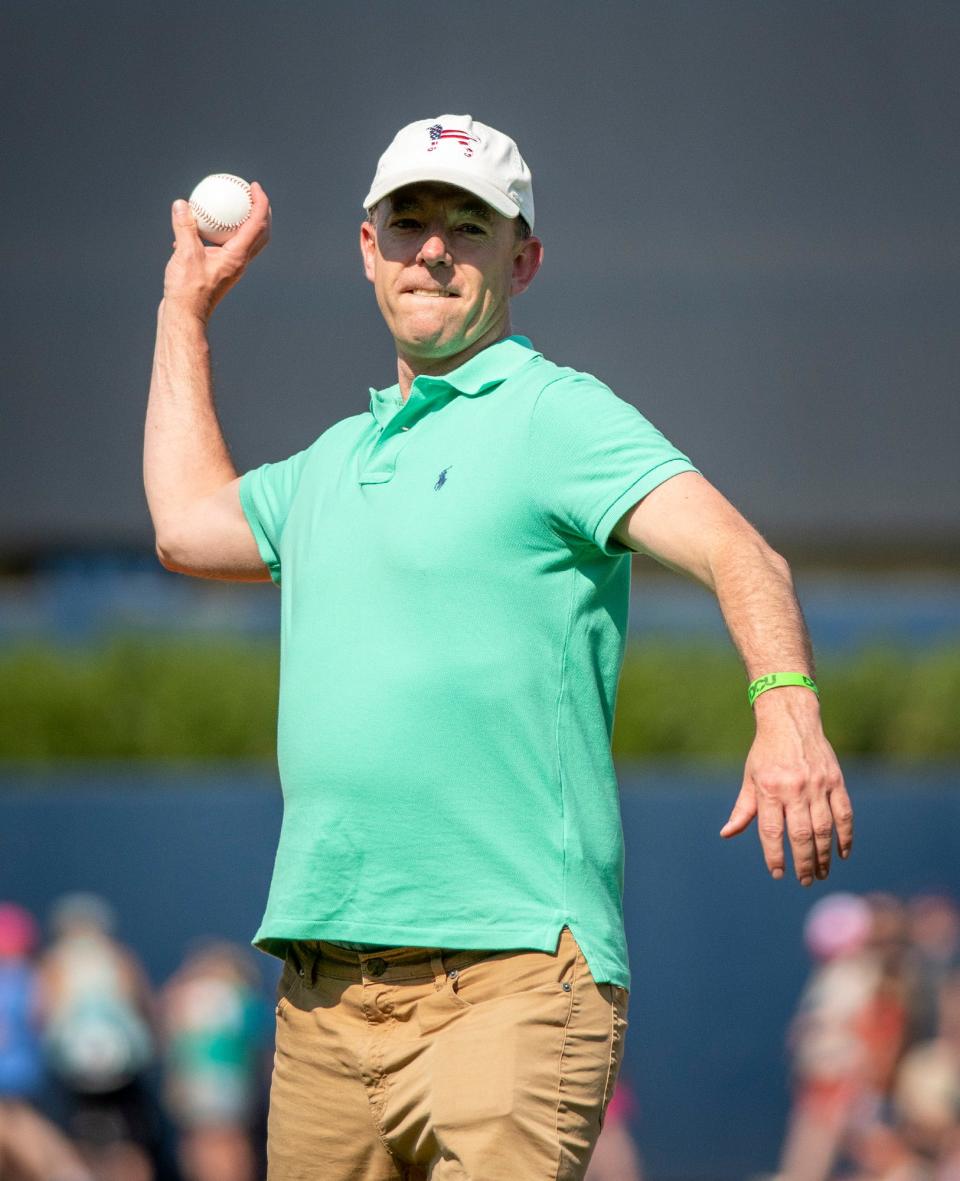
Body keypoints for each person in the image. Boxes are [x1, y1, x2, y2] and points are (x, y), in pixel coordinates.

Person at [145, 113, 853, 1181]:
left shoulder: (555, 415)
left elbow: (740, 551)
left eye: (468, 227)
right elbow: (186, 523)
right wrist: (182, 311)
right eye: (410, 220)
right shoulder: (334, 459)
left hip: (512, 983)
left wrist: (787, 702)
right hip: (324, 999)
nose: (433, 247)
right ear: (367, 247)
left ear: (522, 260)